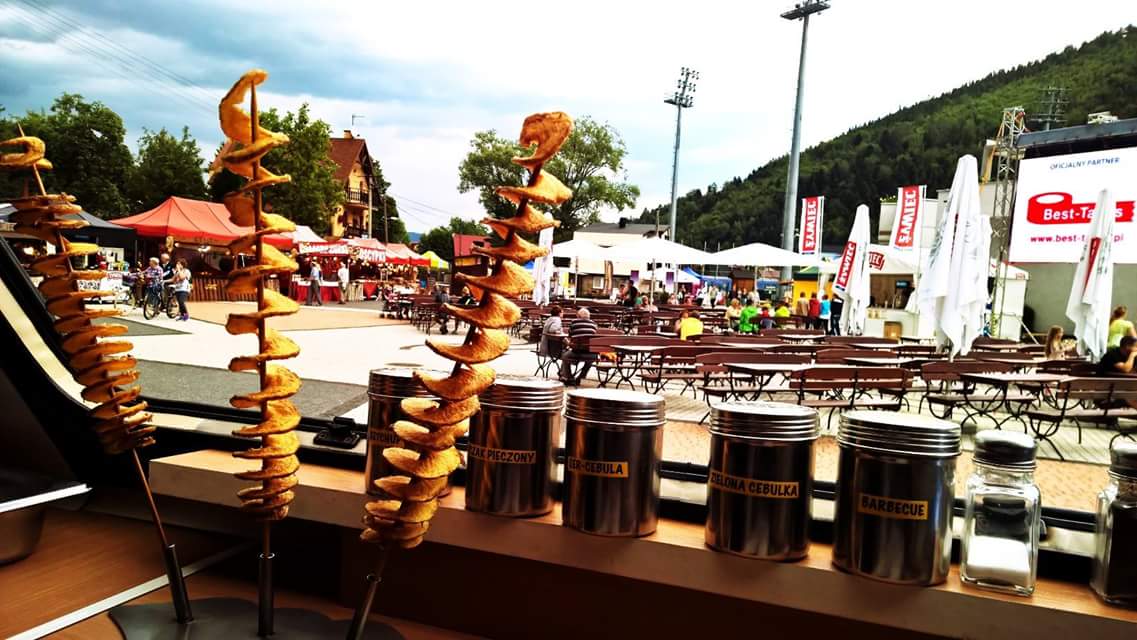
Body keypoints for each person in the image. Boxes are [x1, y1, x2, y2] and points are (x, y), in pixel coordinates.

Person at [560, 307, 598, 385]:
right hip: (591, 354)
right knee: (590, 360)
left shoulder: (574, 322)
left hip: (577, 353)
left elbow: (570, 335)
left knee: (565, 356)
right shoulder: (594, 324)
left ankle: (569, 378)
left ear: (578, 316)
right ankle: (581, 377)